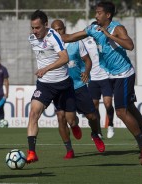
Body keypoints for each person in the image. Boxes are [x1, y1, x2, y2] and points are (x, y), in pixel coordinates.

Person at [61, 1, 142, 165]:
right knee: (130, 107)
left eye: (98, 13)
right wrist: (50, 35)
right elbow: (69, 37)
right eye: (95, 12)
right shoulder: (92, 29)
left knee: (121, 111)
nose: (95, 15)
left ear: (108, 15)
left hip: (124, 74)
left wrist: (109, 36)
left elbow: (130, 45)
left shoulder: (117, 28)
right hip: (111, 75)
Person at [26, 10, 77, 164]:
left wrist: (46, 68)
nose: (34, 32)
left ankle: (74, 126)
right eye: (32, 28)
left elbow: (65, 58)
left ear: (46, 25)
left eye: (37, 28)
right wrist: (44, 72)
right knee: (33, 113)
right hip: (45, 85)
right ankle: (31, 152)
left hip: (63, 84)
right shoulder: (32, 39)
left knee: (70, 120)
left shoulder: (54, 36)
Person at [51, 20, 105, 159]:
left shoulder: (75, 42)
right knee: (63, 118)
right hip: (60, 87)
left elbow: (88, 60)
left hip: (78, 85)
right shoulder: (50, 47)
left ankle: (95, 134)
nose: (58, 33)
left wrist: (86, 72)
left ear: (65, 29)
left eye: (60, 29)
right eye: (55, 30)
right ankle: (69, 149)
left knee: (92, 116)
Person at [82, 36, 115, 139]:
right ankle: (98, 131)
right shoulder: (86, 43)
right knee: (94, 106)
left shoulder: (106, 41)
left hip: (106, 77)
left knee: (108, 104)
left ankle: (110, 125)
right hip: (93, 79)